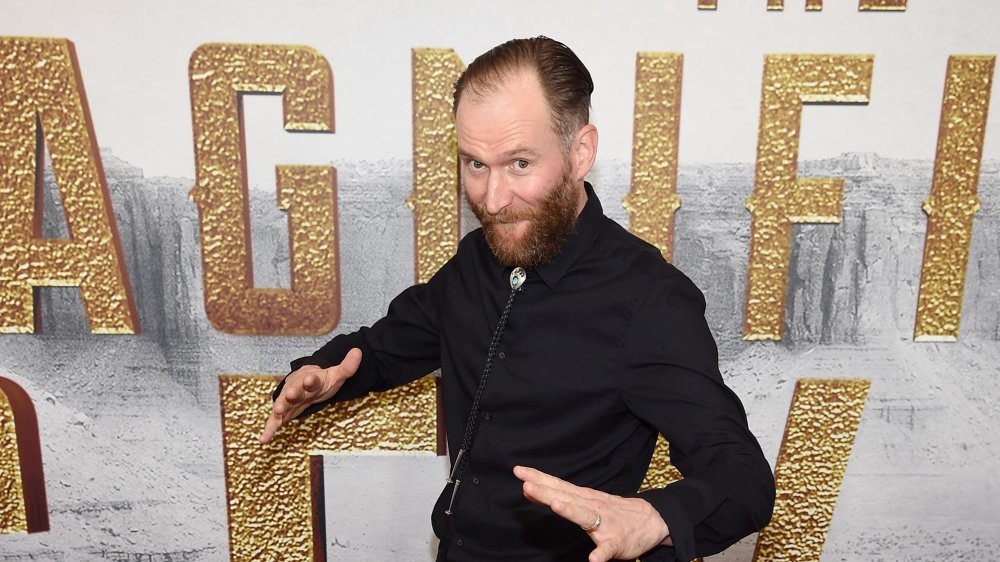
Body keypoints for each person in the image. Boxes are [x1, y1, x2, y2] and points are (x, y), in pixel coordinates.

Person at [259, 36, 774, 562]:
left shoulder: (649, 300)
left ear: (581, 152)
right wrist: (321, 376)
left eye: (520, 163)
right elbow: (387, 348)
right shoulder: (476, 260)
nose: (492, 199)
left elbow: (743, 477)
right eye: (475, 164)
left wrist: (655, 518)